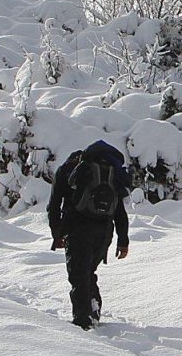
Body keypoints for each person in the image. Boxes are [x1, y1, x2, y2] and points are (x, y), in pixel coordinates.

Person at [48, 140, 132, 330]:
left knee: (78, 276)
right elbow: (119, 210)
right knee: (87, 272)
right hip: (104, 232)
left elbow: (53, 205)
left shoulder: (67, 170)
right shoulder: (110, 173)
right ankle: (92, 310)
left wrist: (57, 234)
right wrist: (123, 240)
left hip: (77, 229)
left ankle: (83, 323)